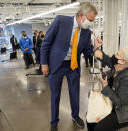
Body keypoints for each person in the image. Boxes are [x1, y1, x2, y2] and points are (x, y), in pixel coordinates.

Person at [40, 3, 98, 131]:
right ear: (81, 16)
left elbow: (87, 51)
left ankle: (75, 116)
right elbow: (46, 42)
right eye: (90, 20)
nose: (91, 23)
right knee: (55, 95)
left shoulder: (87, 32)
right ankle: (54, 122)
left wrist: (95, 48)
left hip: (73, 66)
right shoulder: (61, 21)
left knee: (74, 93)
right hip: (56, 65)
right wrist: (44, 63)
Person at [87, 45, 128, 131]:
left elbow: (119, 102)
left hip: (124, 112)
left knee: (99, 127)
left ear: (122, 61)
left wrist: (105, 86)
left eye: (117, 55)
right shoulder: (117, 67)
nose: (114, 55)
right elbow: (106, 59)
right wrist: (96, 48)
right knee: (90, 117)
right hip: (113, 104)